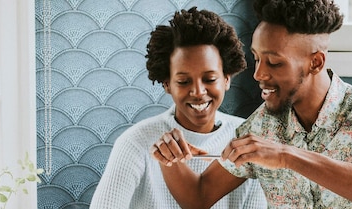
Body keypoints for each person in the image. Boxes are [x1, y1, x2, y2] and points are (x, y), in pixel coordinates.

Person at [150, 0, 352, 208]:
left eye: (274, 63)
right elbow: (199, 196)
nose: (259, 74)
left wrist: (286, 156)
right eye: (257, 59)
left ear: (316, 63)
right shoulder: (261, 127)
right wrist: (169, 158)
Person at [89, 7, 267, 209]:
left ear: (227, 79)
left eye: (209, 79)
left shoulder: (247, 140)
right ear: (167, 84)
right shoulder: (135, 142)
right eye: (183, 81)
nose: (198, 92)